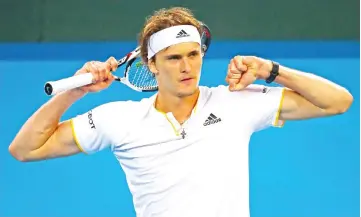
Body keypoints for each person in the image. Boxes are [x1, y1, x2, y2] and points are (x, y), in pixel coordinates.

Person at [9, 7, 353, 217]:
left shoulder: (236, 102)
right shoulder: (119, 119)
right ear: (151, 65)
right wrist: (76, 91)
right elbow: (25, 149)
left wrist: (270, 70)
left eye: (194, 54)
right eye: (174, 58)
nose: (187, 66)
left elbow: (338, 101)